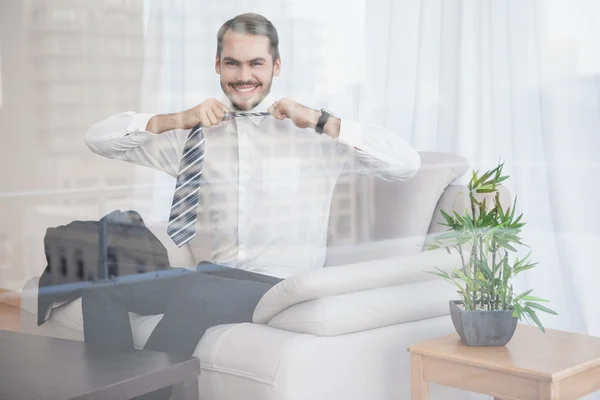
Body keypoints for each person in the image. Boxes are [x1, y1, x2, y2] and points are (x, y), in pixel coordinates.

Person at [82, 12, 420, 399]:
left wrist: (319, 118)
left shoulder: (313, 137)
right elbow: (98, 139)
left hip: (280, 285)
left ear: (276, 66)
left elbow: (405, 165)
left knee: (195, 298)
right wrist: (176, 118)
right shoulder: (196, 136)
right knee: (102, 288)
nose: (244, 75)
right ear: (218, 66)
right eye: (233, 63)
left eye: (256, 63)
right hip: (214, 275)